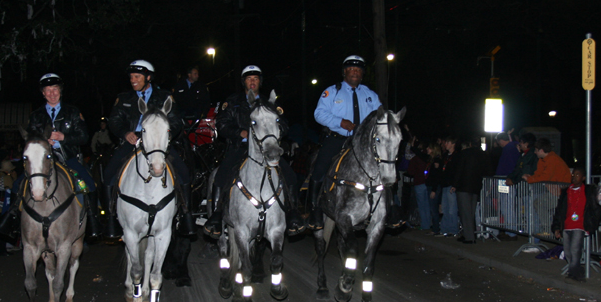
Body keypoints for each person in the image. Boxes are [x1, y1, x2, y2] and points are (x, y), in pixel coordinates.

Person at [203, 65, 304, 238]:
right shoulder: (233, 101)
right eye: (249, 78)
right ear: (244, 82)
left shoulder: (269, 103)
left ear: (260, 82)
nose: (252, 81)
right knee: (222, 174)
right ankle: (217, 215)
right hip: (240, 147)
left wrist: (273, 133)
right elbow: (222, 123)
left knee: (290, 175)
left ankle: (293, 213)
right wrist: (239, 133)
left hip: (265, 149)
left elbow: (284, 124)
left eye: (255, 78)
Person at [0, 73, 101, 238]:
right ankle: (13, 221)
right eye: (48, 90)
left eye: (55, 89)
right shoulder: (36, 115)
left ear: (60, 91)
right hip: (41, 160)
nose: (52, 93)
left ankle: (92, 222)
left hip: (67, 158)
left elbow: (84, 137)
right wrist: (44, 141)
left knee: (88, 184)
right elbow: (30, 138)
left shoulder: (73, 112)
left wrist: (64, 137)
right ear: (43, 93)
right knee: (18, 185)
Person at [103, 60, 195, 241]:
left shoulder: (165, 96)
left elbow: (176, 121)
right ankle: (111, 218)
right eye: (131, 77)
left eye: (137, 77)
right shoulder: (124, 98)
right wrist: (125, 133)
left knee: (184, 173)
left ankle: (186, 215)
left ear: (148, 77)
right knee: (108, 175)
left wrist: (165, 136)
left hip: (158, 141)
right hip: (133, 140)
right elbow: (114, 121)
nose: (133, 80)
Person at [309, 55, 401, 230]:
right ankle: (314, 211)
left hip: (364, 144)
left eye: (358, 70)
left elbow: (379, 118)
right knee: (319, 167)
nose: (355, 73)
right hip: (339, 139)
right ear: (344, 72)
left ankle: (392, 209)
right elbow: (318, 114)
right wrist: (340, 122)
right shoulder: (332, 91)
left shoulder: (370, 95)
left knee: (385, 168)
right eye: (351, 69)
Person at [551, 167, 600, 281]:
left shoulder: (588, 191)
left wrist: (592, 225)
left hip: (580, 225)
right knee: (567, 251)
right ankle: (577, 271)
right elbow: (559, 211)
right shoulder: (566, 191)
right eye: (573, 174)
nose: (574, 177)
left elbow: (595, 209)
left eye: (577, 175)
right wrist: (557, 227)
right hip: (567, 224)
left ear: (583, 178)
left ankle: (574, 273)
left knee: (575, 249)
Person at [453, 137, 489, 244]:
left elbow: (459, 169)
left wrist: (455, 184)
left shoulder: (465, 154)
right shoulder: (483, 154)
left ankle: (469, 237)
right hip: (476, 186)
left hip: (464, 186)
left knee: (465, 213)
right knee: (471, 212)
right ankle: (471, 235)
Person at [439, 136, 460, 237]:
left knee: (452, 209)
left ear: (453, 144)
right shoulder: (445, 156)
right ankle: (445, 229)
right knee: (445, 208)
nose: (445, 144)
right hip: (445, 184)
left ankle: (453, 230)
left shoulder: (456, 156)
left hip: (451, 185)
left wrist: (455, 184)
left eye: (448, 142)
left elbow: (457, 172)